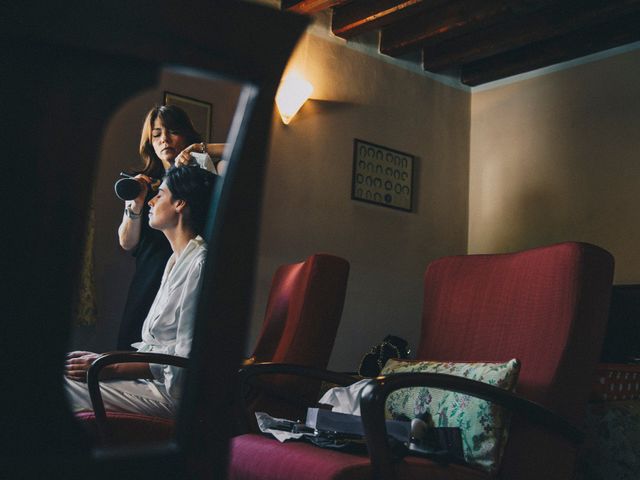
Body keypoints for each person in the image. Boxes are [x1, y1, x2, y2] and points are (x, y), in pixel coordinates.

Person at [65, 165, 217, 417]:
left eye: (161, 194)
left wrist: (109, 368)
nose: (151, 201)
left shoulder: (200, 264)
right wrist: (100, 359)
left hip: (173, 397)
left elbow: (186, 360)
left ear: (180, 203)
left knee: (55, 388)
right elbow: (156, 347)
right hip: (152, 386)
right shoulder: (175, 261)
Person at [117, 104, 225, 350]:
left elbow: (246, 153)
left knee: (179, 347)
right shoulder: (142, 184)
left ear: (186, 134)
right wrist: (136, 202)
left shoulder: (203, 176)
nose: (164, 139)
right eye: (156, 134)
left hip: (190, 268)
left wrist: (202, 148)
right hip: (151, 273)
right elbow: (127, 243)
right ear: (149, 142)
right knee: (131, 347)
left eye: (172, 131)